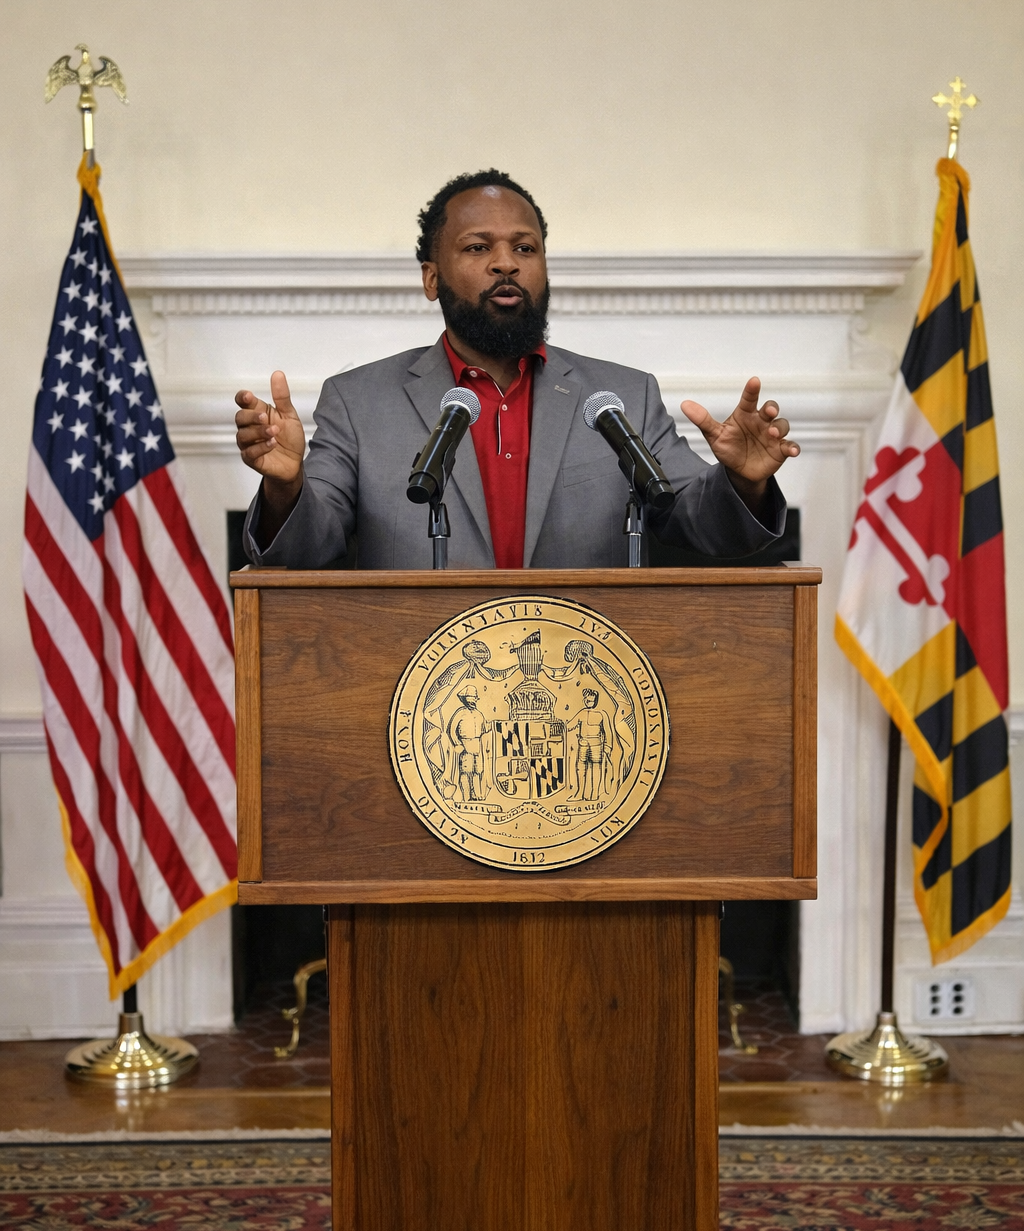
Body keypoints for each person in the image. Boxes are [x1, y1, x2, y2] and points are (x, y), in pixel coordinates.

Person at [234, 170, 800, 569]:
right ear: (432, 278)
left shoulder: (622, 396)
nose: (506, 263)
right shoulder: (360, 403)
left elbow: (703, 528)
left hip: (581, 700)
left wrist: (744, 482)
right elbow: (305, 551)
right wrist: (286, 487)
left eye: (525, 249)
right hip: (423, 701)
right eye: (478, 248)